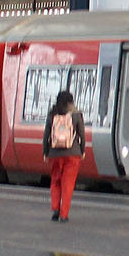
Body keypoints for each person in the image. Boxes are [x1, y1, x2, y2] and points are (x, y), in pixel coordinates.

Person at [42, 89, 86, 221]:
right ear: (70, 102)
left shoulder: (52, 114)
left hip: (54, 153)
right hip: (73, 154)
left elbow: (46, 136)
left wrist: (45, 152)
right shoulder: (76, 115)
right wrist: (82, 151)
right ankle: (63, 214)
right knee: (68, 184)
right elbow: (82, 136)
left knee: (55, 181)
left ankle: (55, 209)